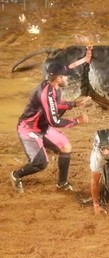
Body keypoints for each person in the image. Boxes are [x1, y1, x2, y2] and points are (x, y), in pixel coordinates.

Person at [10, 58, 92, 193]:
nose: (67, 78)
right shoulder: (45, 94)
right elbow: (54, 121)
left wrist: (74, 104)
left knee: (65, 147)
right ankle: (16, 175)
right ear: (58, 78)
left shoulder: (54, 88)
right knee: (41, 163)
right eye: (65, 76)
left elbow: (56, 105)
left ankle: (62, 183)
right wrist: (77, 121)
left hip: (42, 127)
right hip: (29, 129)